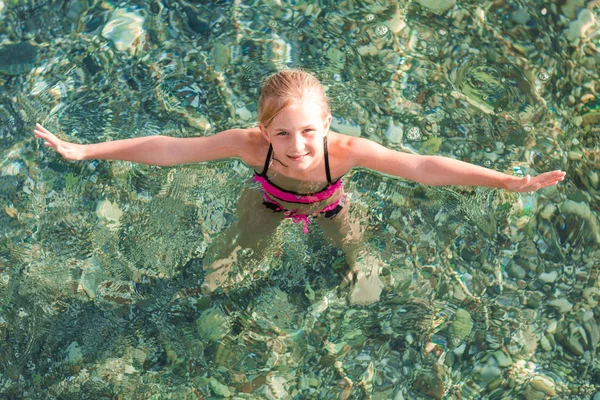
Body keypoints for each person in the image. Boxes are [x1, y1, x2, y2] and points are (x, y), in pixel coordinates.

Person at [33, 69, 565, 304]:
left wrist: (508, 182)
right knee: (225, 268)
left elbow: (424, 166)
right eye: (282, 133)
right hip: (267, 201)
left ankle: (360, 269)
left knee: (354, 249)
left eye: (309, 131)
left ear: (328, 124)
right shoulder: (249, 146)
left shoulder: (346, 153)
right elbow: (170, 148)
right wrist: (87, 150)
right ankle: (212, 306)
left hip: (330, 205)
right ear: (263, 131)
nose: (297, 146)